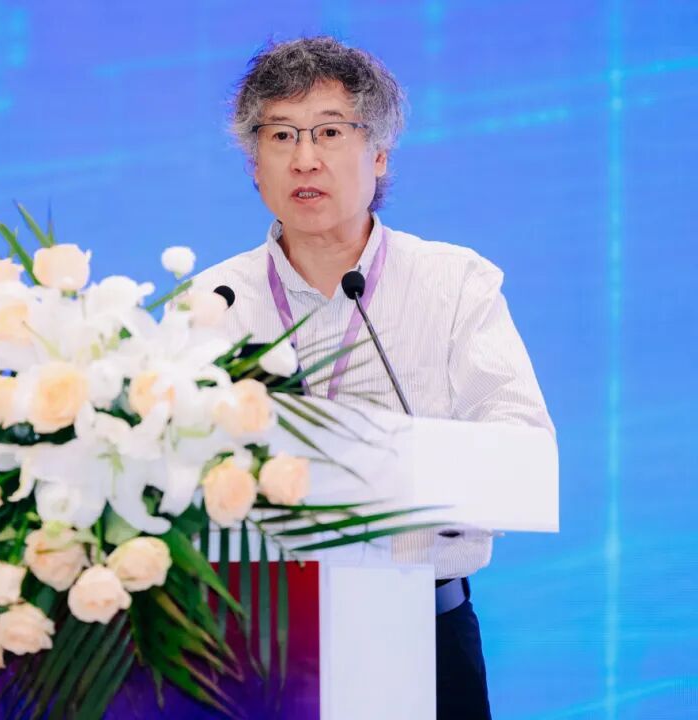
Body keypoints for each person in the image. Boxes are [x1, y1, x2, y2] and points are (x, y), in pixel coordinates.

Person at [191, 37, 555, 719]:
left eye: (330, 132)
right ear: (253, 163)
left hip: (424, 633)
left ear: (380, 153)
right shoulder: (210, 303)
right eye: (280, 135)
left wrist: (379, 467)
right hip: (252, 644)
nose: (305, 158)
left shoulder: (454, 285)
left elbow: (522, 452)